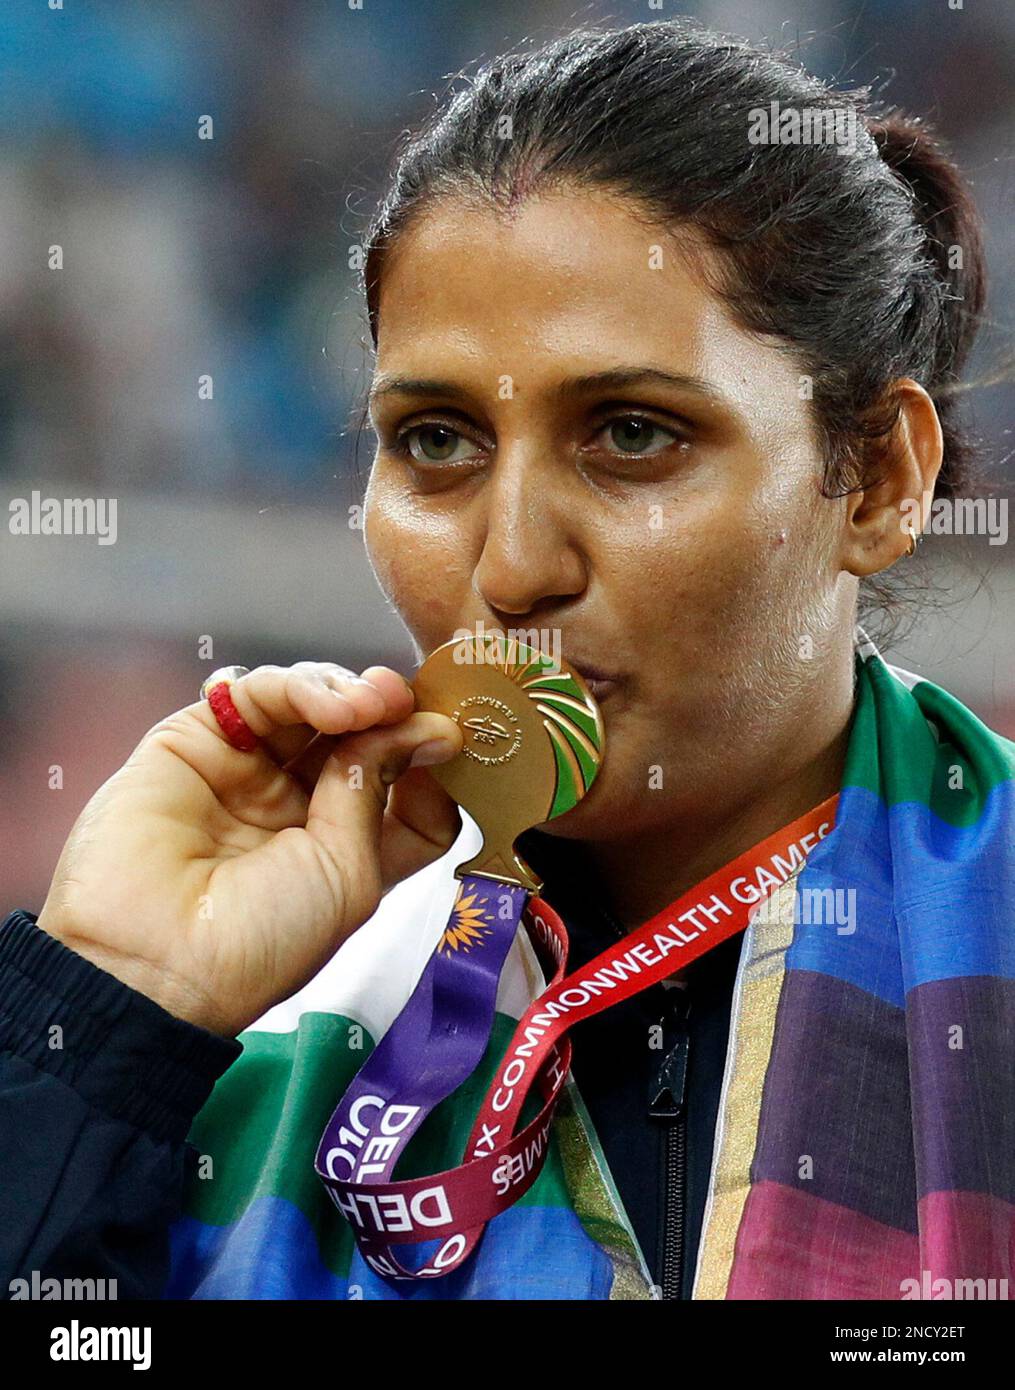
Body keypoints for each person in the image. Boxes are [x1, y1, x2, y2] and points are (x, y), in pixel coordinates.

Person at [2, 19, 1011, 1302]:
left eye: (632, 433)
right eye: (433, 441)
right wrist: (107, 1009)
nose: (513, 565)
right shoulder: (251, 1039)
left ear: (875, 477)